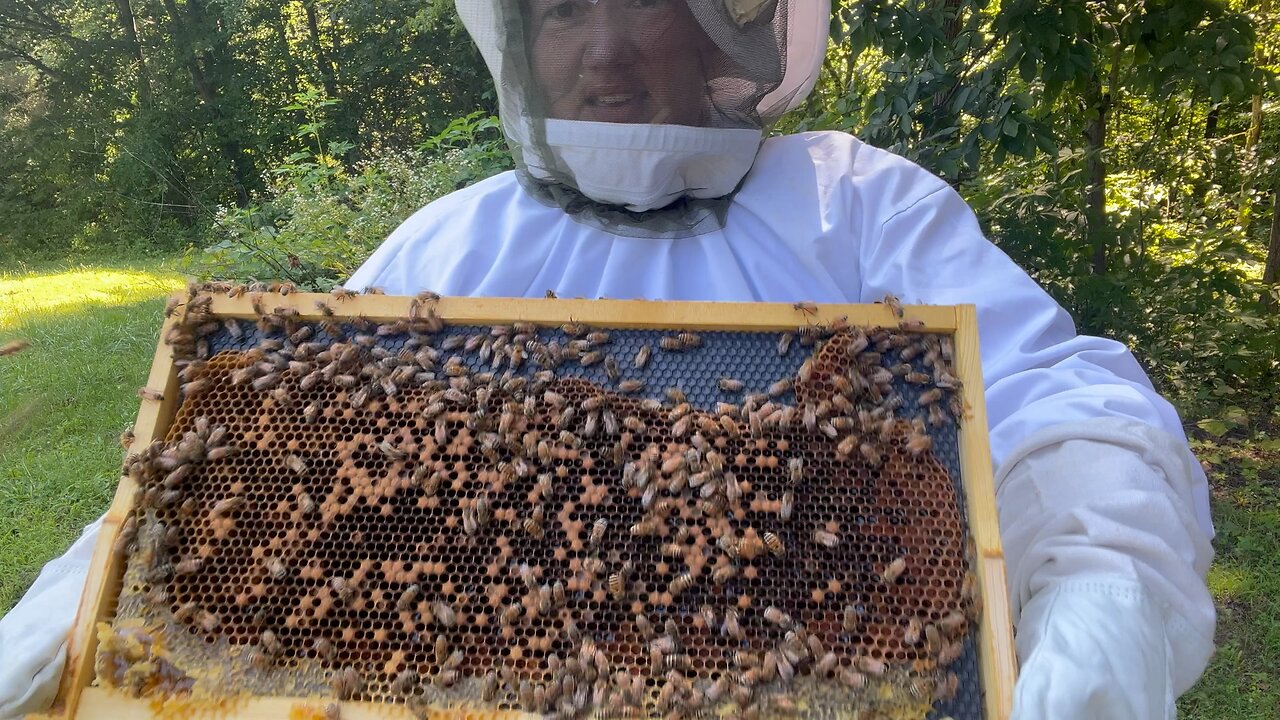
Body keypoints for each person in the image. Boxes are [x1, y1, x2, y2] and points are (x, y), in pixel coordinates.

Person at [0, 1, 1214, 718]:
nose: (602, 51)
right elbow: (230, 461)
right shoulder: (448, 242)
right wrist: (74, 605)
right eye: (562, 6)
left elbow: (1054, 402)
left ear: (721, 23)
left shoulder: (862, 209)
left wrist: (1102, 576)